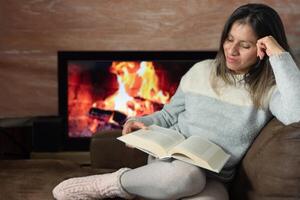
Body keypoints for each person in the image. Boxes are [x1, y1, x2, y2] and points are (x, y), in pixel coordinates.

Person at [52, 3, 300, 200]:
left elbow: (296, 113)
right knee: (187, 176)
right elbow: (169, 115)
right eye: (229, 39)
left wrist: (279, 55)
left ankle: (146, 191)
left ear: (261, 50)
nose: (231, 51)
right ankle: (106, 185)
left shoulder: (269, 90)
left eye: (244, 45)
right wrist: (142, 121)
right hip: (173, 162)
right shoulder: (201, 71)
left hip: (215, 177)